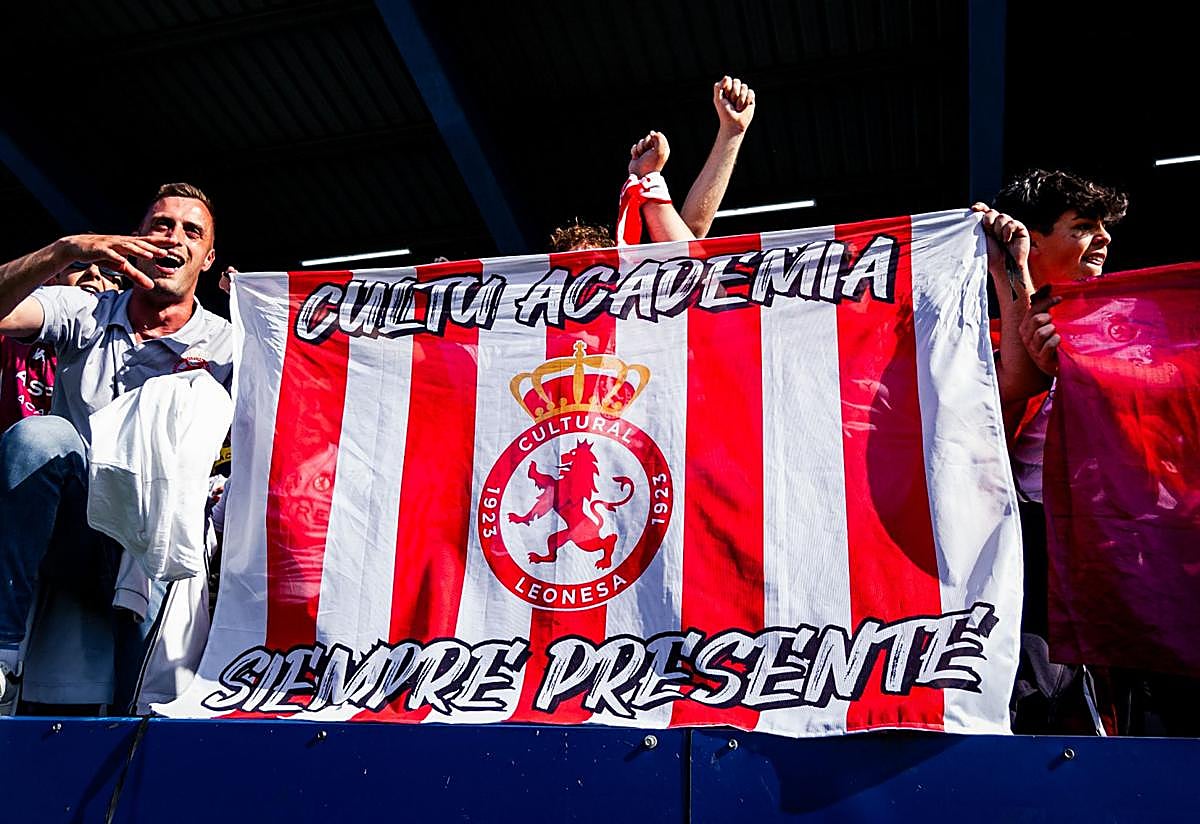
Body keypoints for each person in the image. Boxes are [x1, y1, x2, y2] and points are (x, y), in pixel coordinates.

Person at [0, 182, 232, 711]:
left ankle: (140, 728)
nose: (173, 239)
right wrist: (65, 251)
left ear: (208, 257)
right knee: (39, 435)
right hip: (78, 532)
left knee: (168, 502)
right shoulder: (86, 311)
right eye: (161, 226)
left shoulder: (229, 346)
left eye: (191, 232)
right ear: (134, 240)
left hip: (159, 545)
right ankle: (2, 654)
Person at [973, 169, 1131, 733]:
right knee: (1034, 693)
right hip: (1020, 547)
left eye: (1104, 227)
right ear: (1030, 238)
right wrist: (1009, 270)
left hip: (1109, 550)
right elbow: (1016, 385)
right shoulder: (968, 329)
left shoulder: (1126, 329)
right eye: (1084, 227)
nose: (1104, 240)